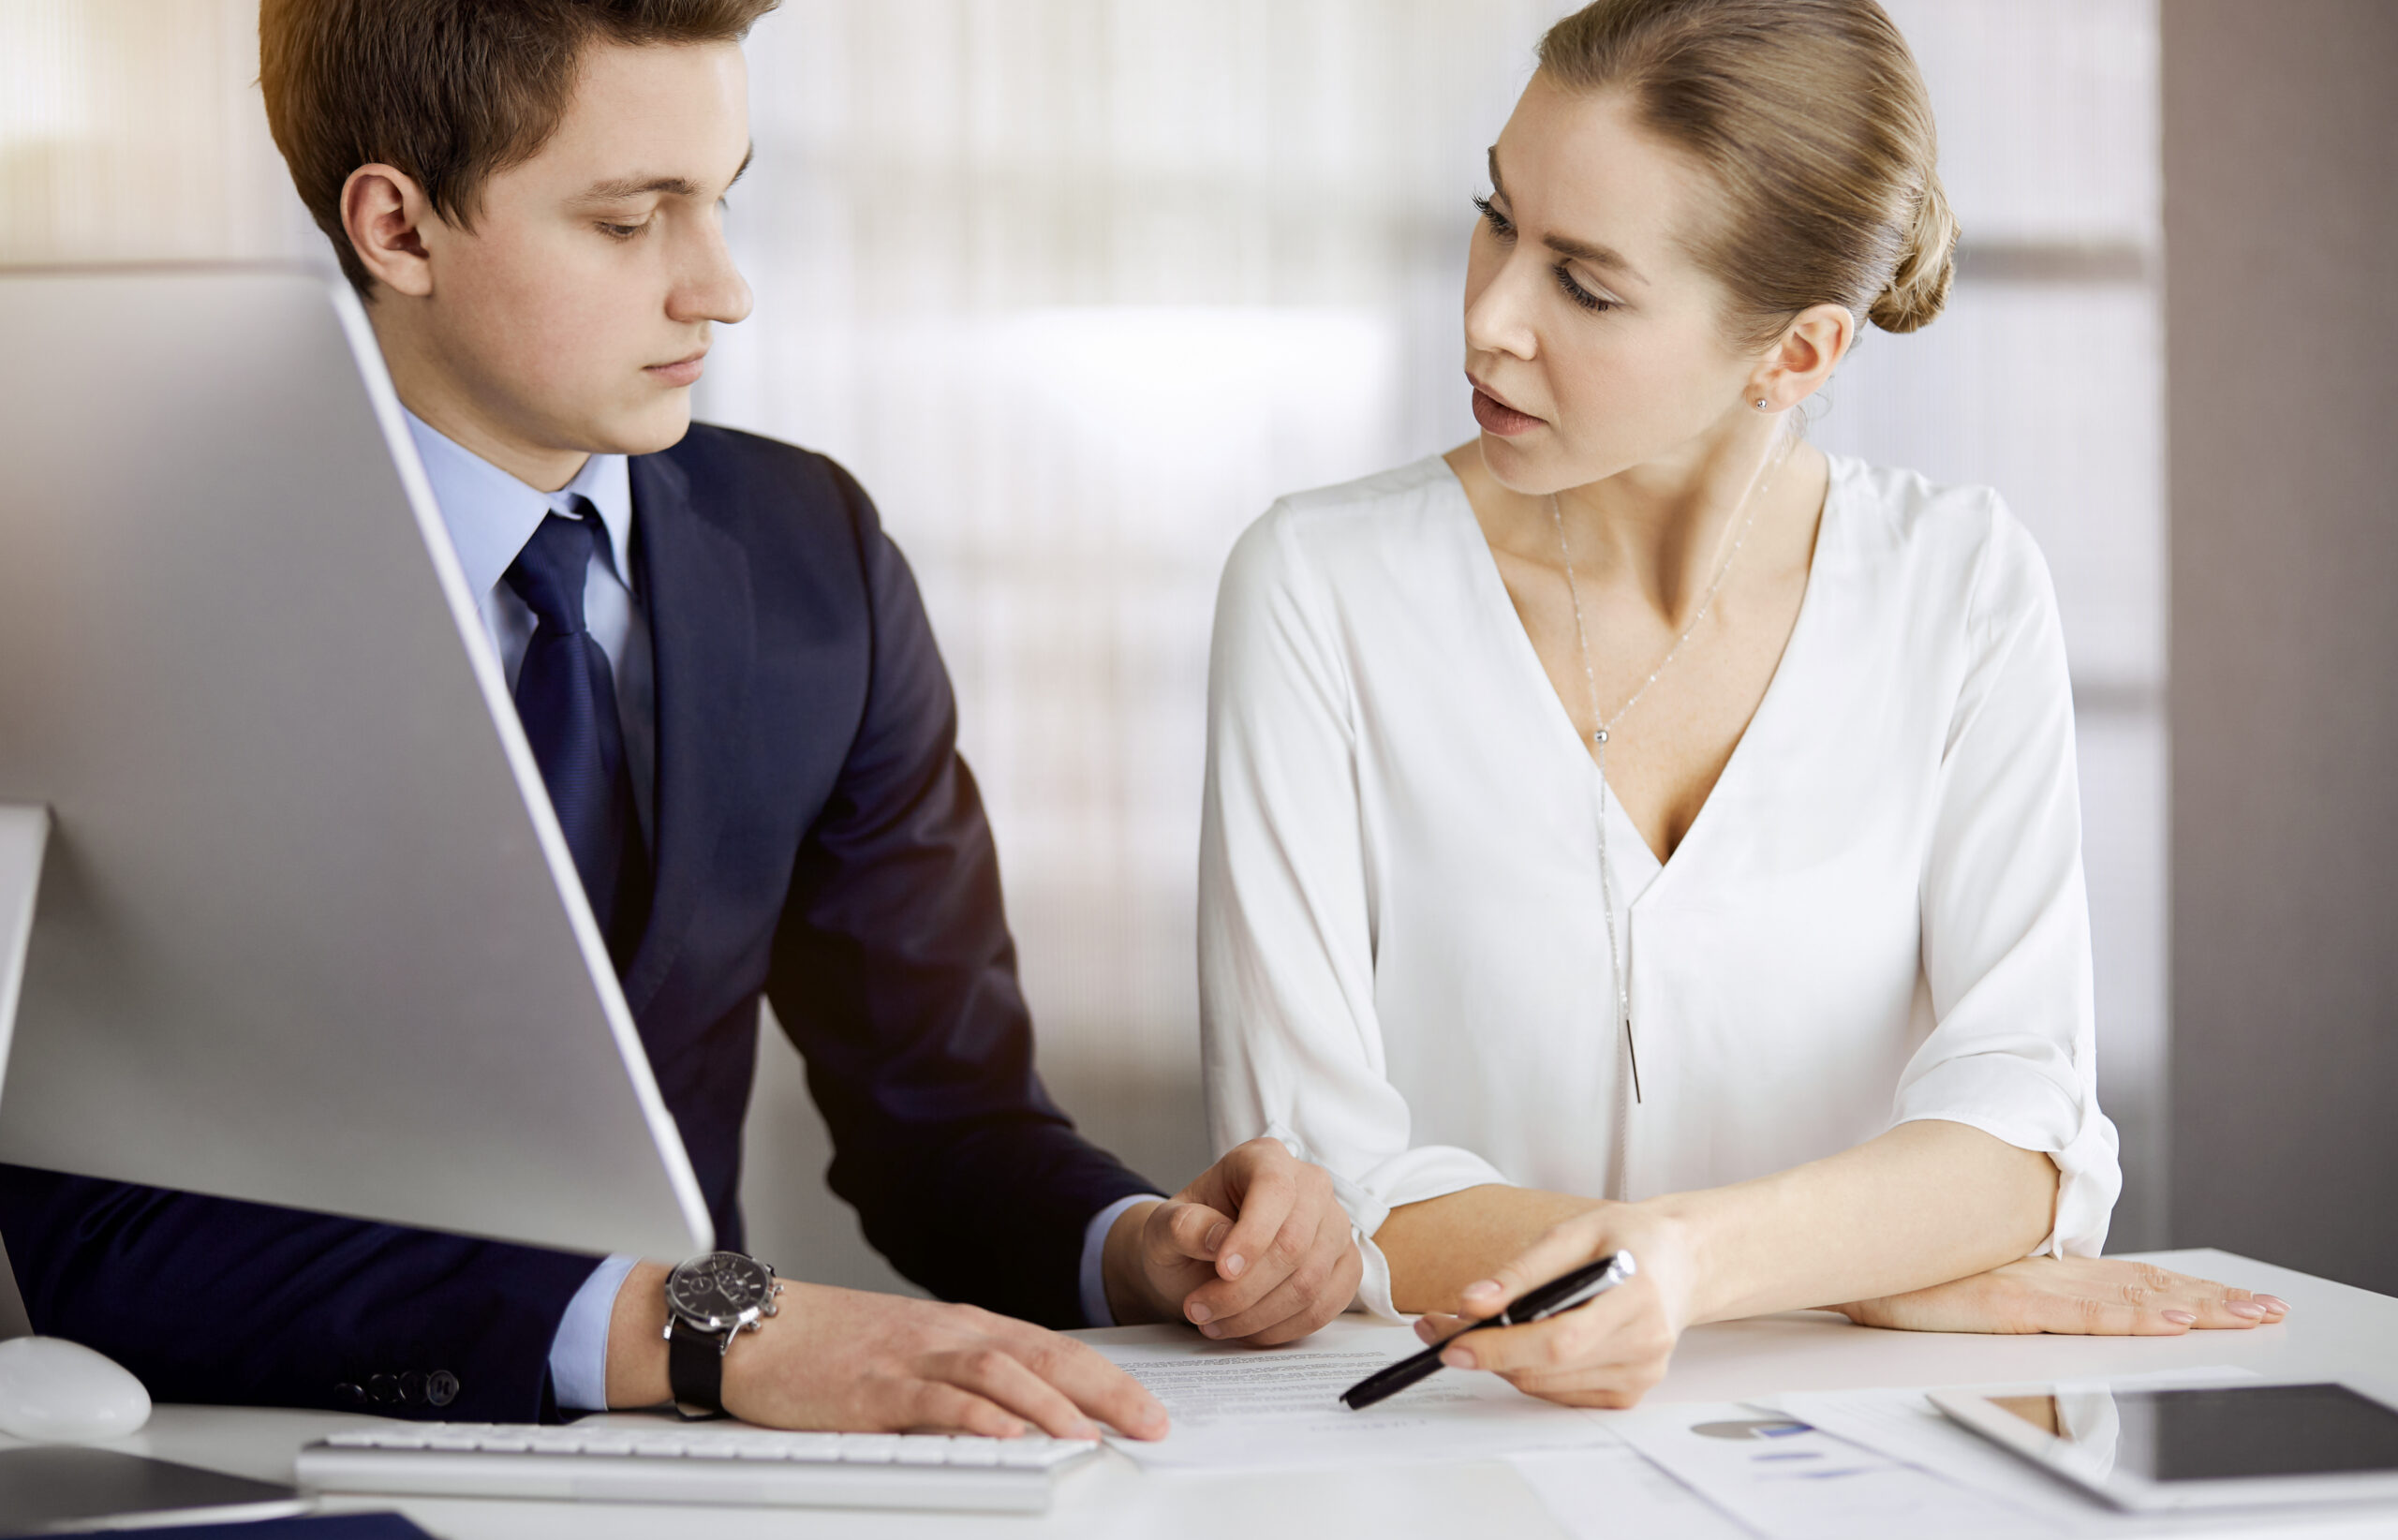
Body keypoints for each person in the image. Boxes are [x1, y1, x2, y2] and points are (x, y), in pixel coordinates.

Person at [0, 0, 1361, 1441]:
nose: (720, 288)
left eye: (721, 201)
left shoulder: (808, 552)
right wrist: (716, 1330)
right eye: (632, 221)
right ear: (396, 229)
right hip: (250, 1480)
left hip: (692, 1493)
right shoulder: (116, 572)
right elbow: (109, 1240)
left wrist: (1145, 1246)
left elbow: (943, 1125)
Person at [1198, 0, 2285, 1411]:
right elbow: (1319, 1195)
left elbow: (2021, 1137)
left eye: (1585, 284)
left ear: (1797, 355)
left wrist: (1700, 1267)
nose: (1489, 316)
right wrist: (1862, 1262)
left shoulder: (1959, 585)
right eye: (1496, 217)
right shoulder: (1319, 583)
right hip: (1442, 1455)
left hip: (1880, 1477)